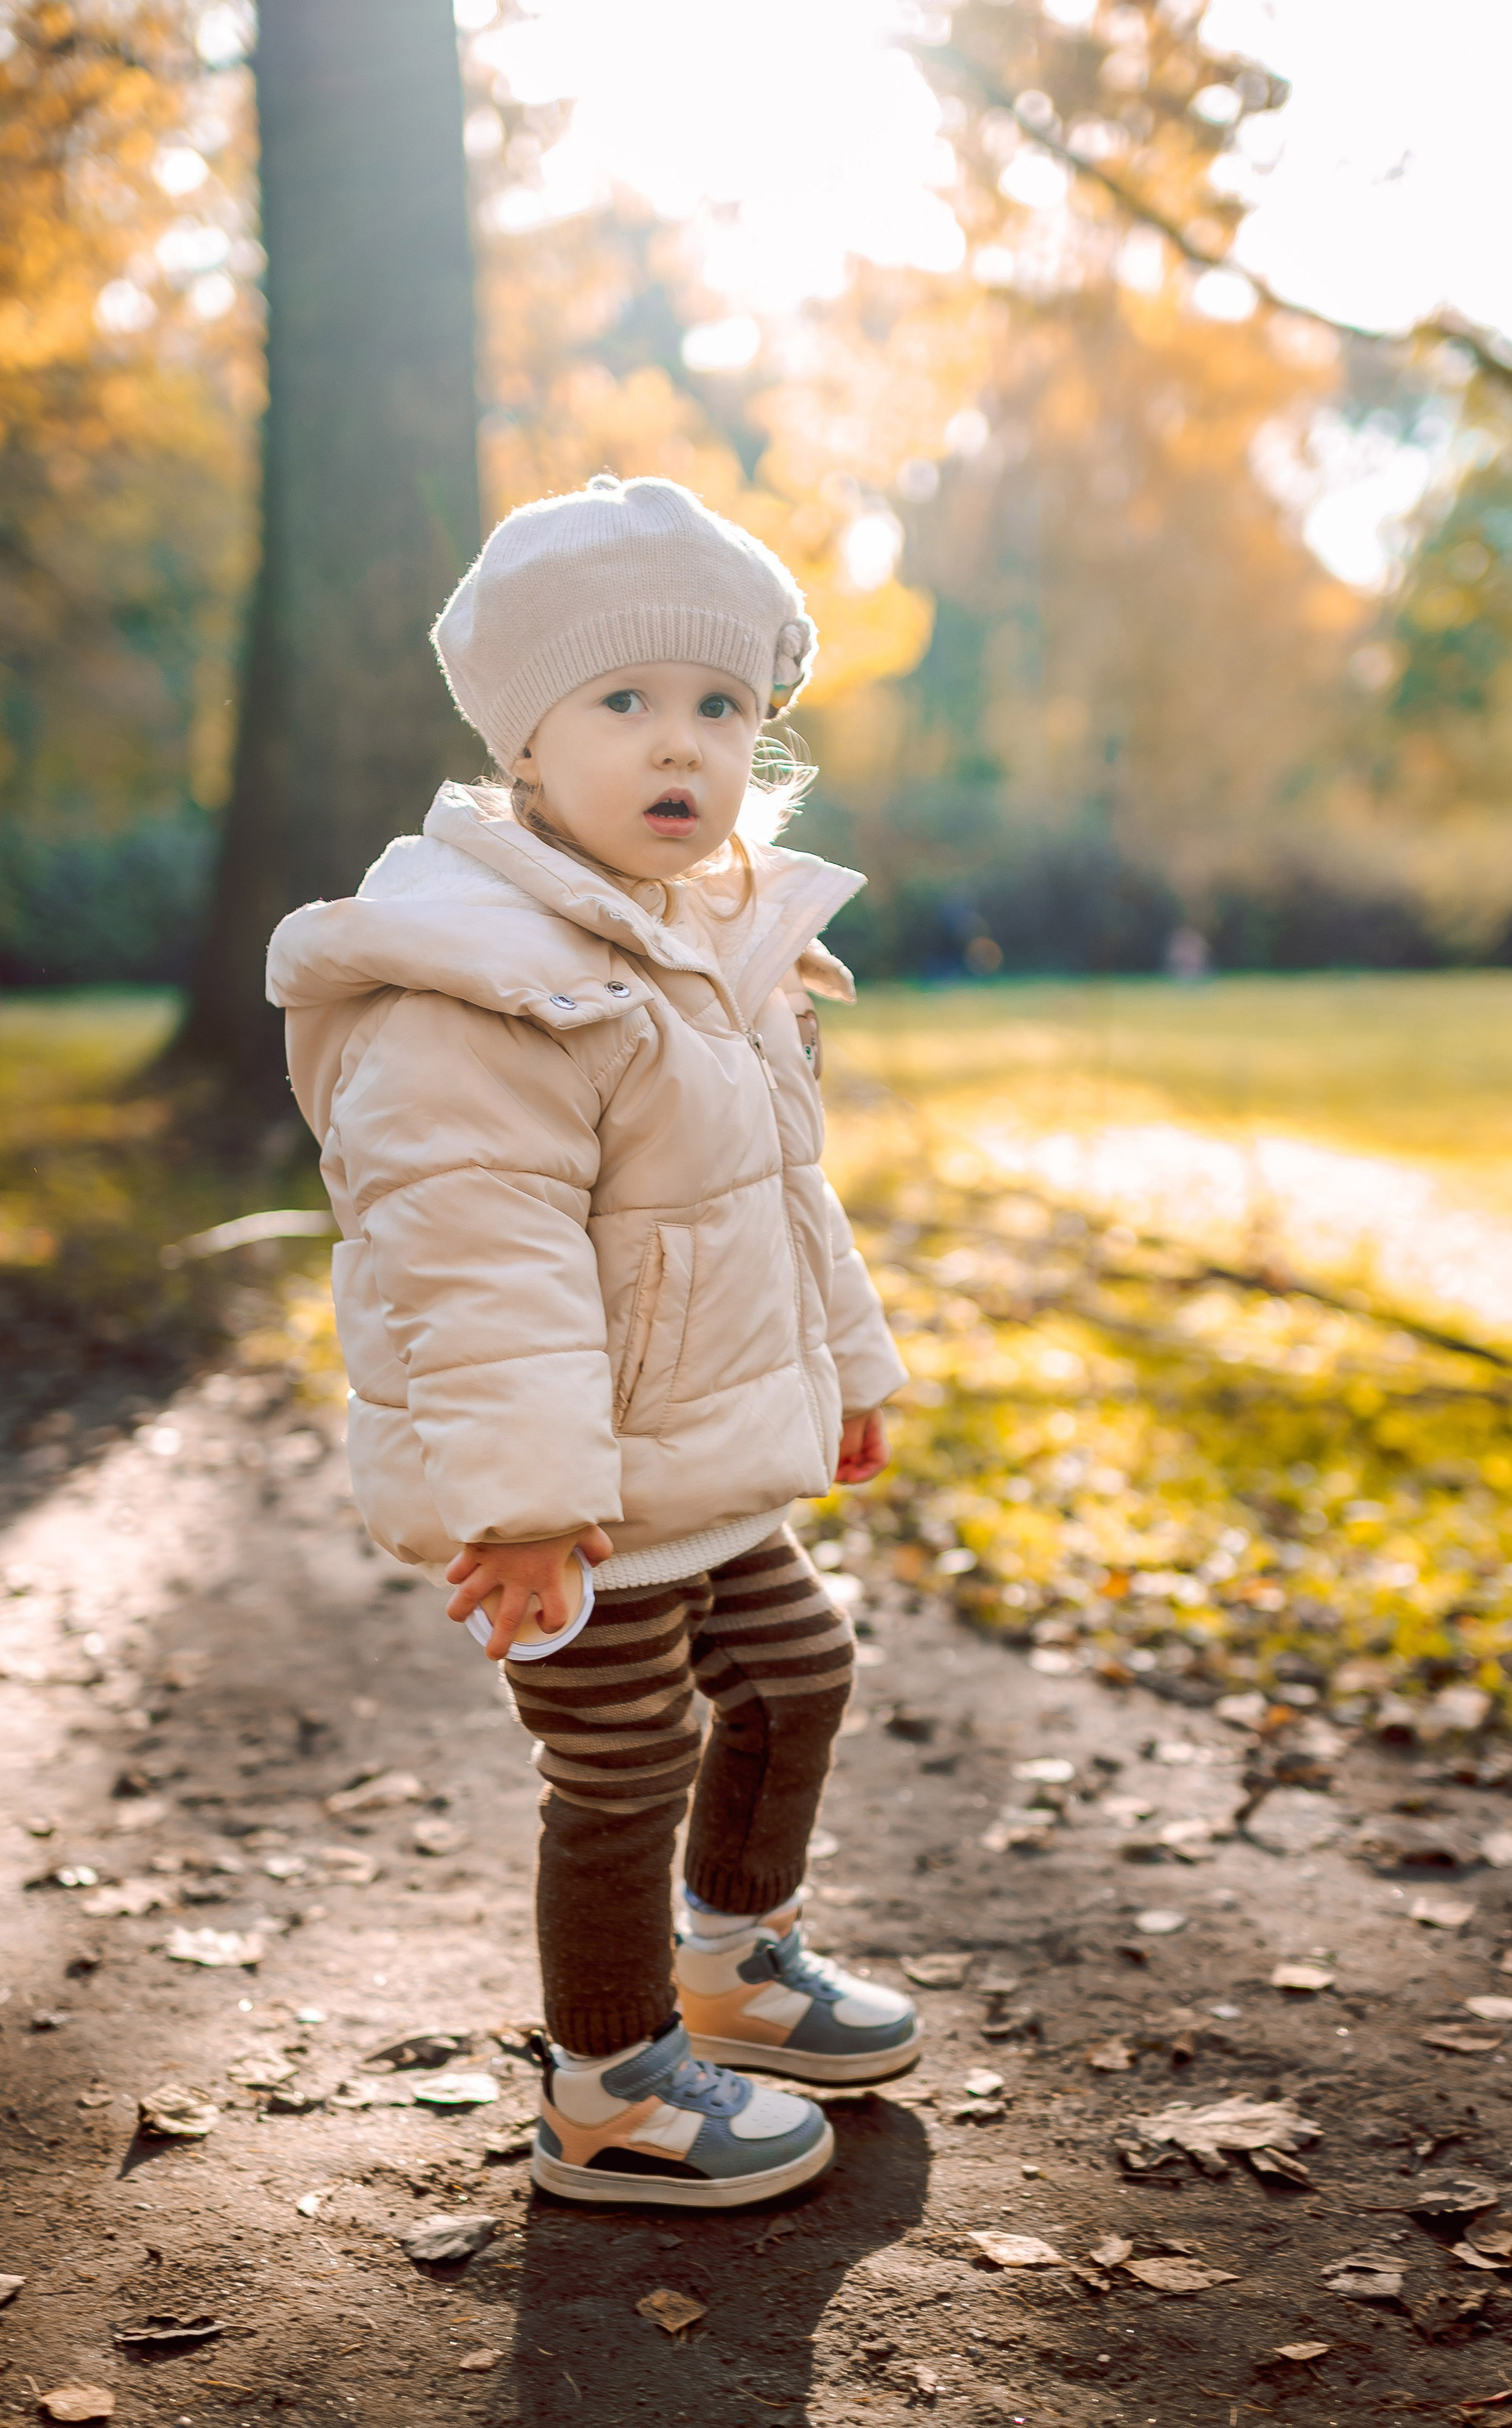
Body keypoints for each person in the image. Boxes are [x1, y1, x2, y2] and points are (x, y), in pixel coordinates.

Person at [267, 475, 918, 2208]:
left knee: (796, 1675)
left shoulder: (718, 942)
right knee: (626, 1762)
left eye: (719, 707)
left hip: (705, 1457)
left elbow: (783, 1190)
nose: (678, 746)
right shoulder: (481, 979)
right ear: (525, 743)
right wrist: (532, 1499)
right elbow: (478, 1269)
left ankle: (734, 1959)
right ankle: (612, 2085)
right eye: (622, 704)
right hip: (580, 1498)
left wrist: (844, 1363)